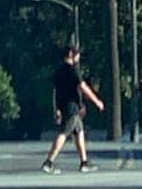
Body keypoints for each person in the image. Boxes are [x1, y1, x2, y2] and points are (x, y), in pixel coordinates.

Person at [42, 43, 104, 175]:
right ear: (71, 54)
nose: (79, 56)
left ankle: (84, 162)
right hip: (72, 108)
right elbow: (83, 87)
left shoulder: (59, 70)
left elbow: (55, 92)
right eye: (77, 53)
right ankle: (49, 162)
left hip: (65, 106)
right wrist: (97, 101)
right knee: (64, 133)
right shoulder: (73, 70)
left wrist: (57, 109)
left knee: (79, 132)